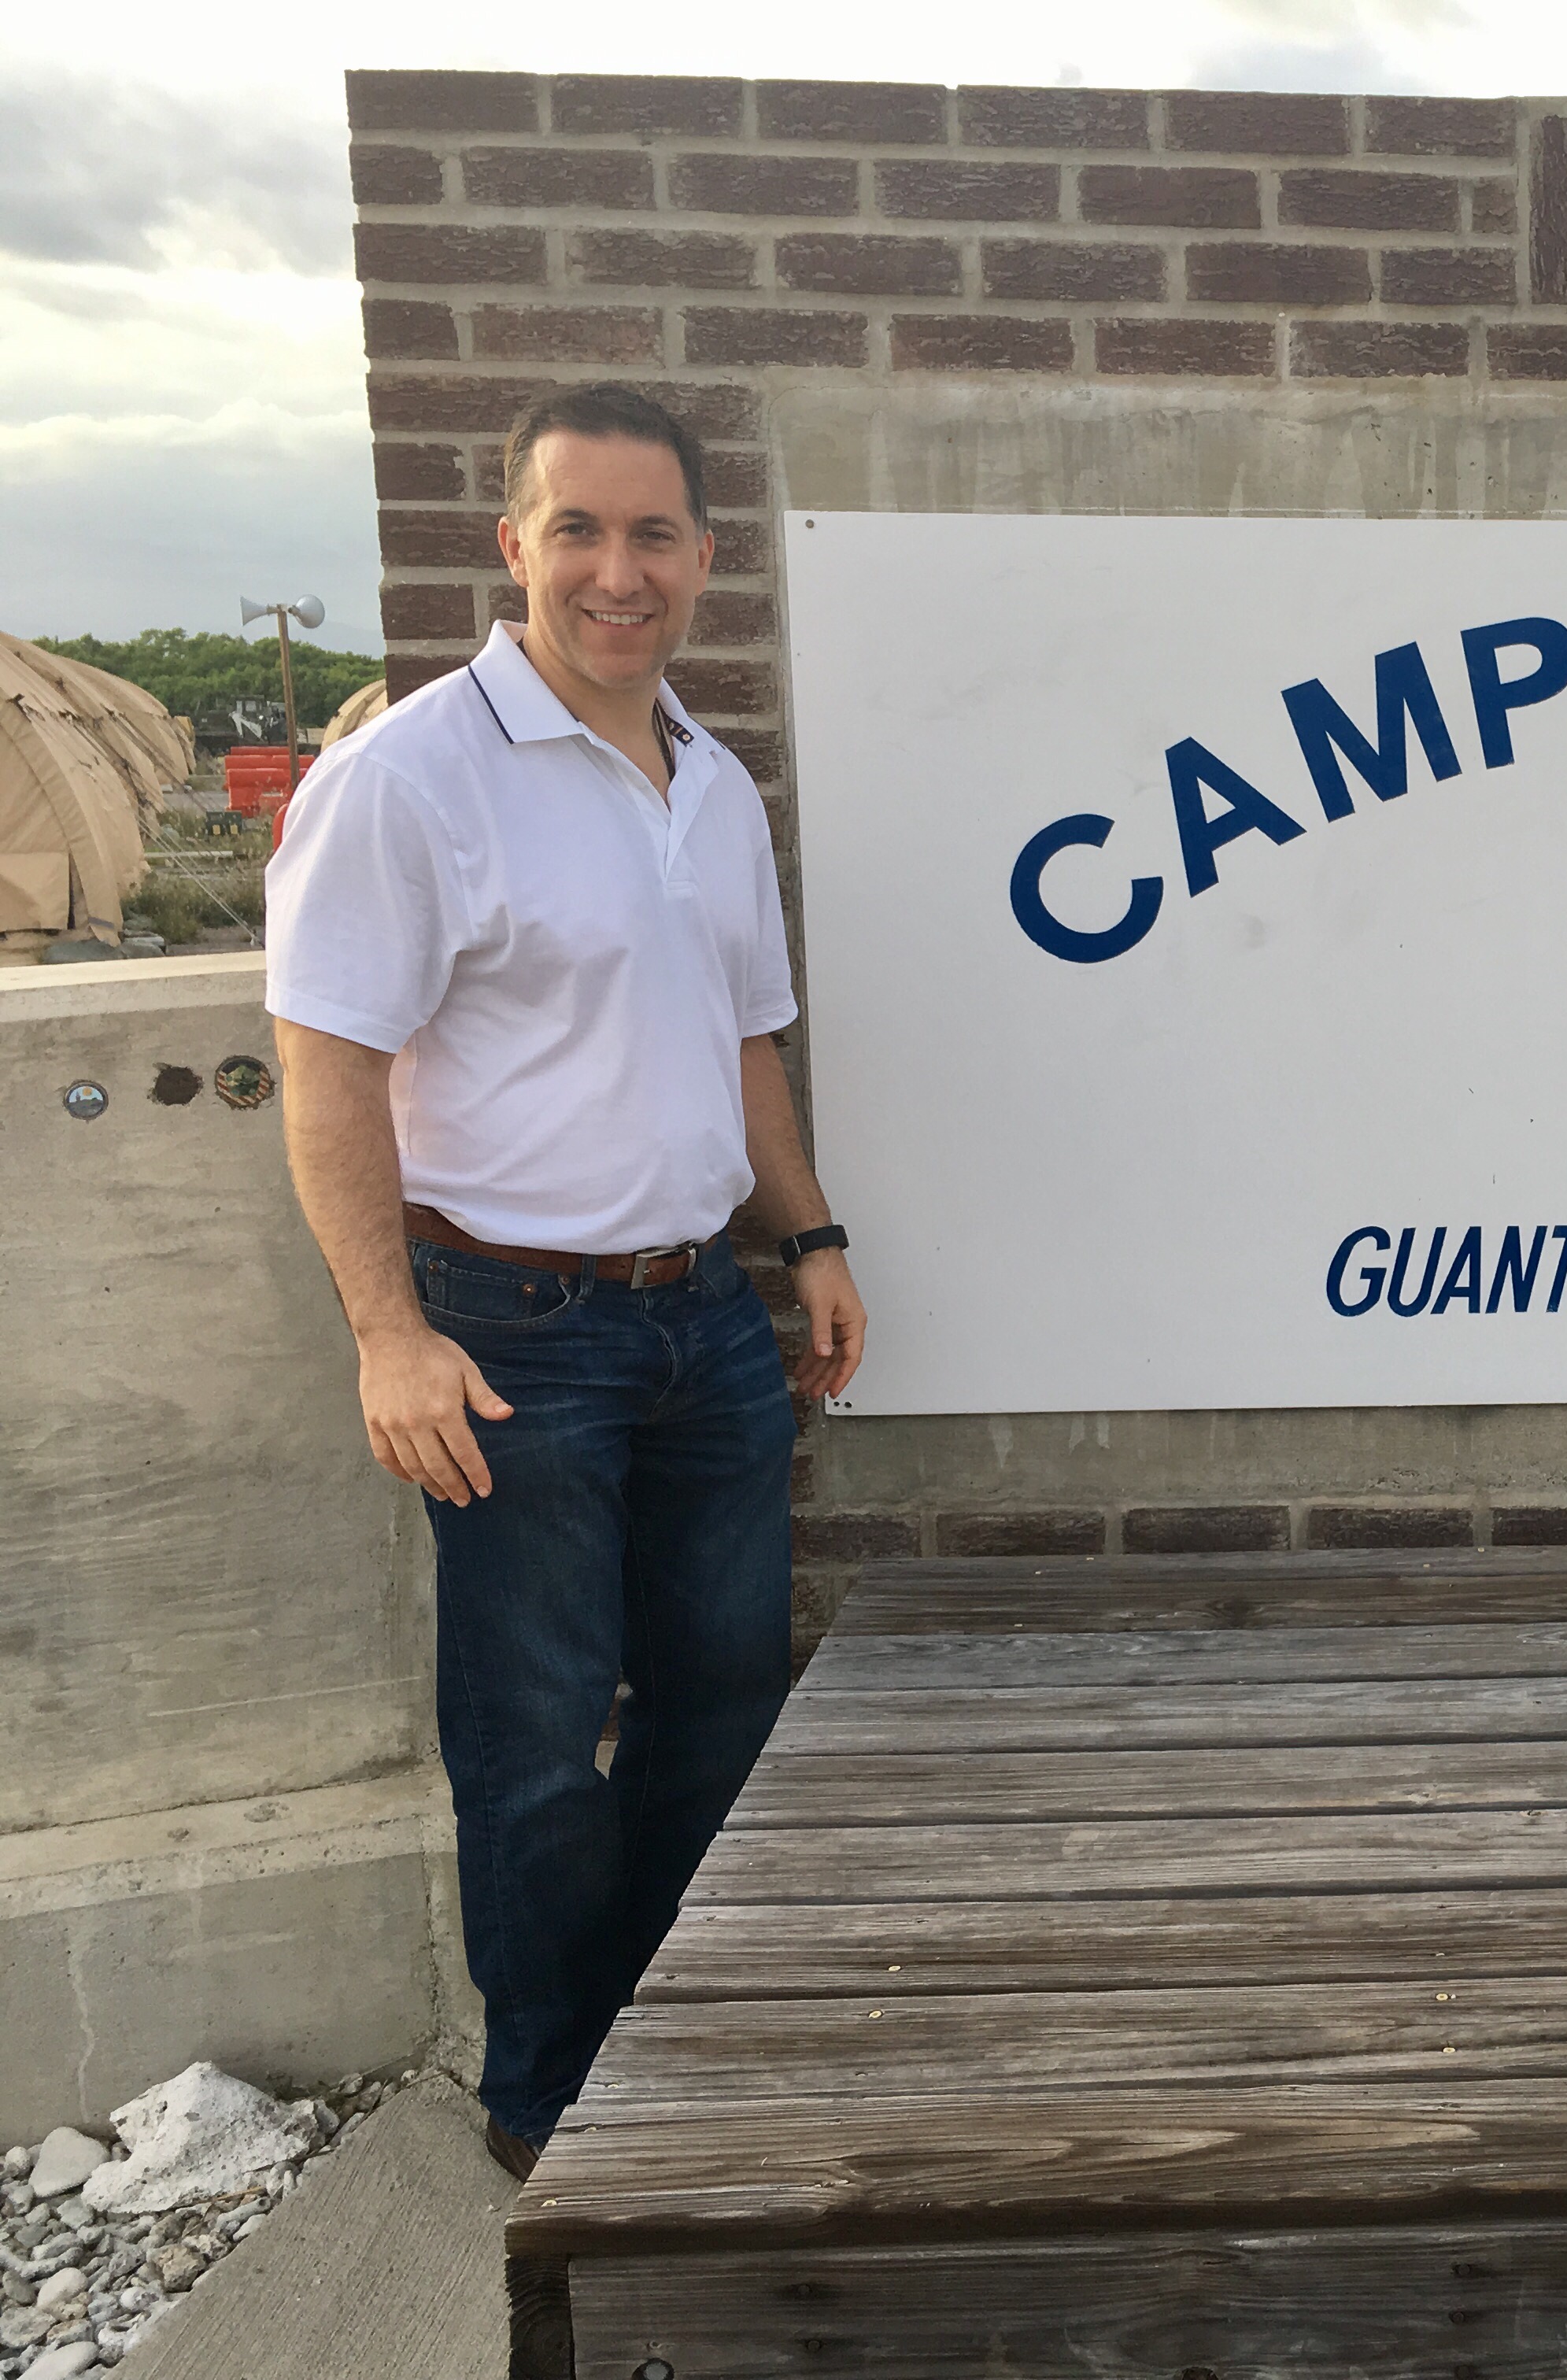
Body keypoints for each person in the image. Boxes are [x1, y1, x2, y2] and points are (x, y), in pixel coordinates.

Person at [265, 384, 864, 2373]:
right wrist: (387, 1332)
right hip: (509, 1336)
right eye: (580, 530)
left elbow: (746, 1040)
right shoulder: (412, 779)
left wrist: (811, 1237)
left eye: (656, 534)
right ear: (512, 545)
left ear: (706, 557)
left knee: (721, 1711)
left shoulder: (711, 782)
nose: (621, 571)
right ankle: (549, 2095)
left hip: (705, 1323)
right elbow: (328, 1071)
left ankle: (680, 2051)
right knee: (534, 1744)